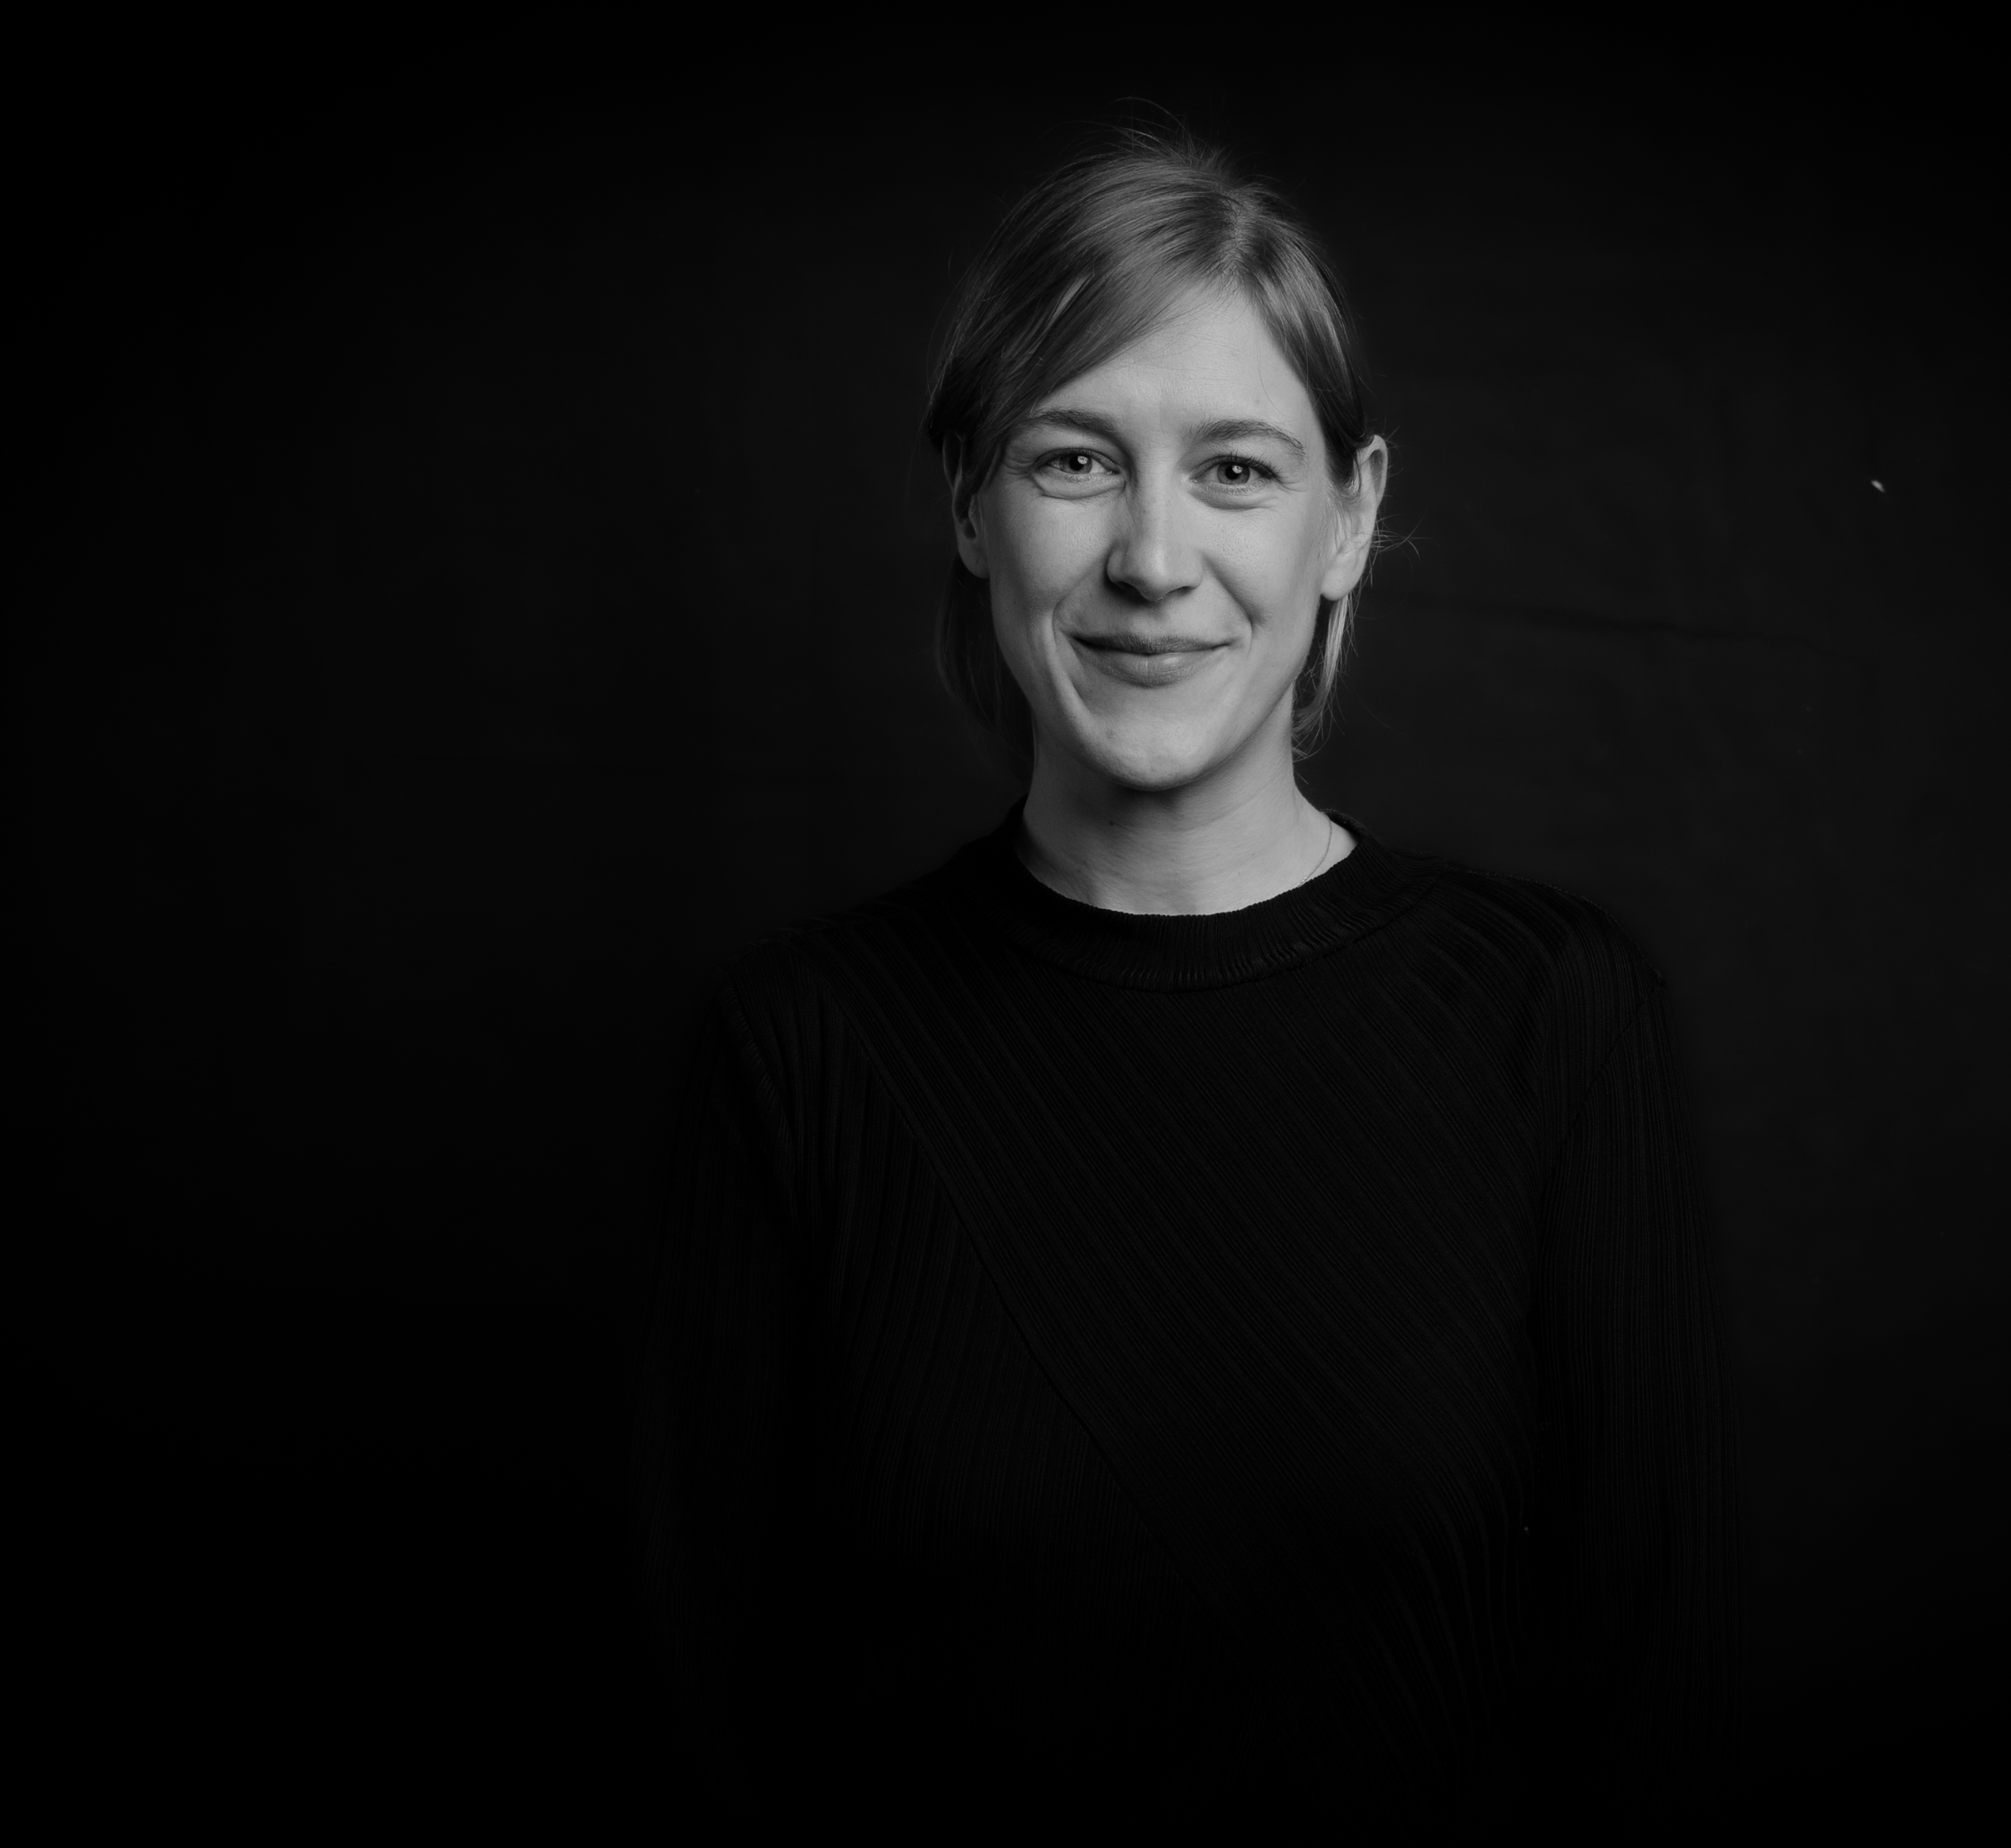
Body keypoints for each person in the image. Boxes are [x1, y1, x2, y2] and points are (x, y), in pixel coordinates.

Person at [636, 132, 1731, 1827]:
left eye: (1235, 470)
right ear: (972, 508)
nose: (1153, 560)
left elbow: (1651, 1707)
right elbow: (703, 1709)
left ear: (1349, 519)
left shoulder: (1557, 1015)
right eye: (1076, 459)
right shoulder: (797, 1053)